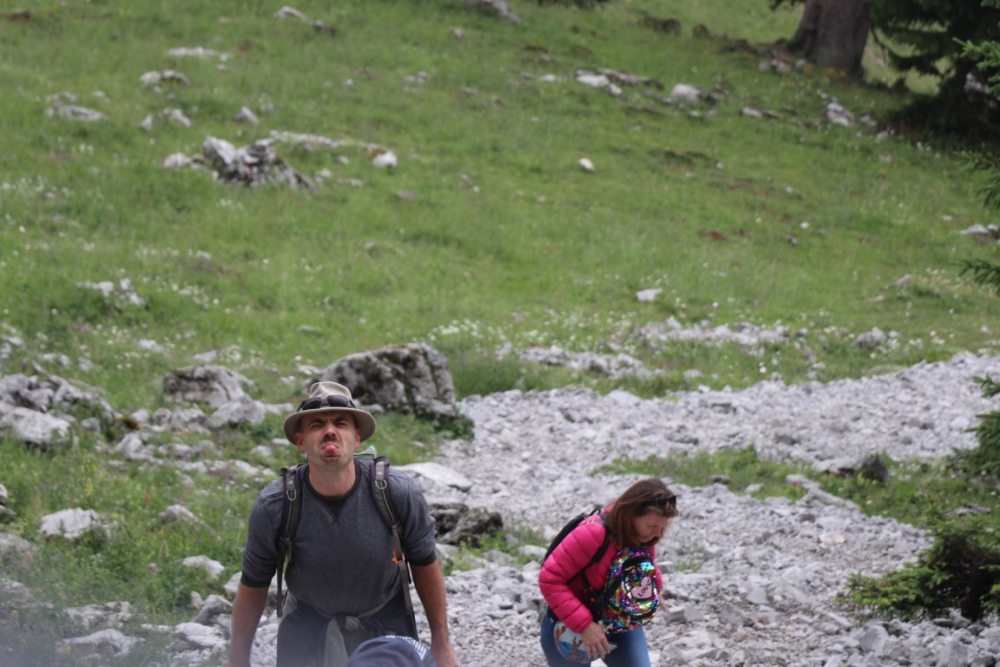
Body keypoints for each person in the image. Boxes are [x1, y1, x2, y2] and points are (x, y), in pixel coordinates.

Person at [224, 381, 458, 667]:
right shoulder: (275, 506)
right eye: (317, 424)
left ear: (356, 437)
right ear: (300, 441)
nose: (330, 430)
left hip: (384, 622)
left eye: (340, 423)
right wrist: (237, 660)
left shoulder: (396, 492)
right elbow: (254, 583)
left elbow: (424, 562)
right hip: (308, 626)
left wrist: (441, 643)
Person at [538, 479, 679, 666]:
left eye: (662, 528)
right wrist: (584, 625)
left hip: (619, 620)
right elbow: (549, 579)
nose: (657, 534)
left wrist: (655, 586)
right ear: (630, 515)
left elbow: (646, 562)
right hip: (569, 626)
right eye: (652, 526)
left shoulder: (643, 536)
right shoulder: (593, 534)